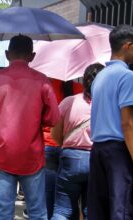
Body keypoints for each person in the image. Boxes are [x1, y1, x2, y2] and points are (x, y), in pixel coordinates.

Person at [0, 35, 60, 219]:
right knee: (37, 210)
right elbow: (53, 118)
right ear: (32, 56)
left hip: (2, 152)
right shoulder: (42, 80)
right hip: (32, 154)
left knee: (4, 210)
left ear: (7, 54)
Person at [88, 25, 133, 220]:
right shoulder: (128, 77)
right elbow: (127, 123)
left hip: (97, 149)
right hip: (118, 151)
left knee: (98, 209)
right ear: (128, 46)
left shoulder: (99, 77)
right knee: (121, 207)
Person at [50, 63, 104, 220]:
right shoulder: (108, 104)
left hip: (70, 158)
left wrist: (67, 145)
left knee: (62, 210)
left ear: (84, 80)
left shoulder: (69, 101)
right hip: (97, 159)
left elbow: (55, 134)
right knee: (91, 211)